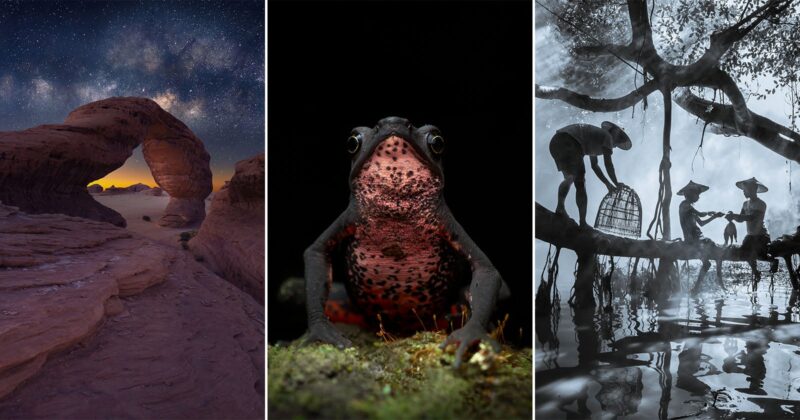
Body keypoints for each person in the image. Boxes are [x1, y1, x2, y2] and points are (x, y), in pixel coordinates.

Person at [549, 121, 632, 227]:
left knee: (570, 177)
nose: (614, 146)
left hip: (556, 142)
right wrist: (616, 183)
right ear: (615, 135)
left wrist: (607, 183)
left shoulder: (597, 137)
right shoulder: (607, 137)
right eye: (617, 142)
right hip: (570, 141)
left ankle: (560, 207)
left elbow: (595, 166)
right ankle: (582, 223)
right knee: (580, 183)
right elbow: (608, 164)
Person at [725, 177, 776, 290]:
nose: (743, 192)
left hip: (761, 235)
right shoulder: (744, 204)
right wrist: (732, 217)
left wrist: (735, 216)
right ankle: (756, 271)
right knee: (744, 253)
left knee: (761, 255)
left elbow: (752, 217)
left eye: (745, 190)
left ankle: (773, 261)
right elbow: (741, 219)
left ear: (753, 190)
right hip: (751, 236)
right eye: (743, 190)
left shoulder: (761, 204)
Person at [677, 181, 725, 293]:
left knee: (710, 261)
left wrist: (714, 216)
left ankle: (698, 288)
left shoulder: (689, 208)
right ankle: (715, 283)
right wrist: (712, 213)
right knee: (717, 254)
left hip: (697, 239)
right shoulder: (684, 205)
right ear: (689, 194)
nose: (698, 196)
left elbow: (702, 223)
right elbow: (701, 214)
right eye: (696, 194)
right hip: (694, 240)